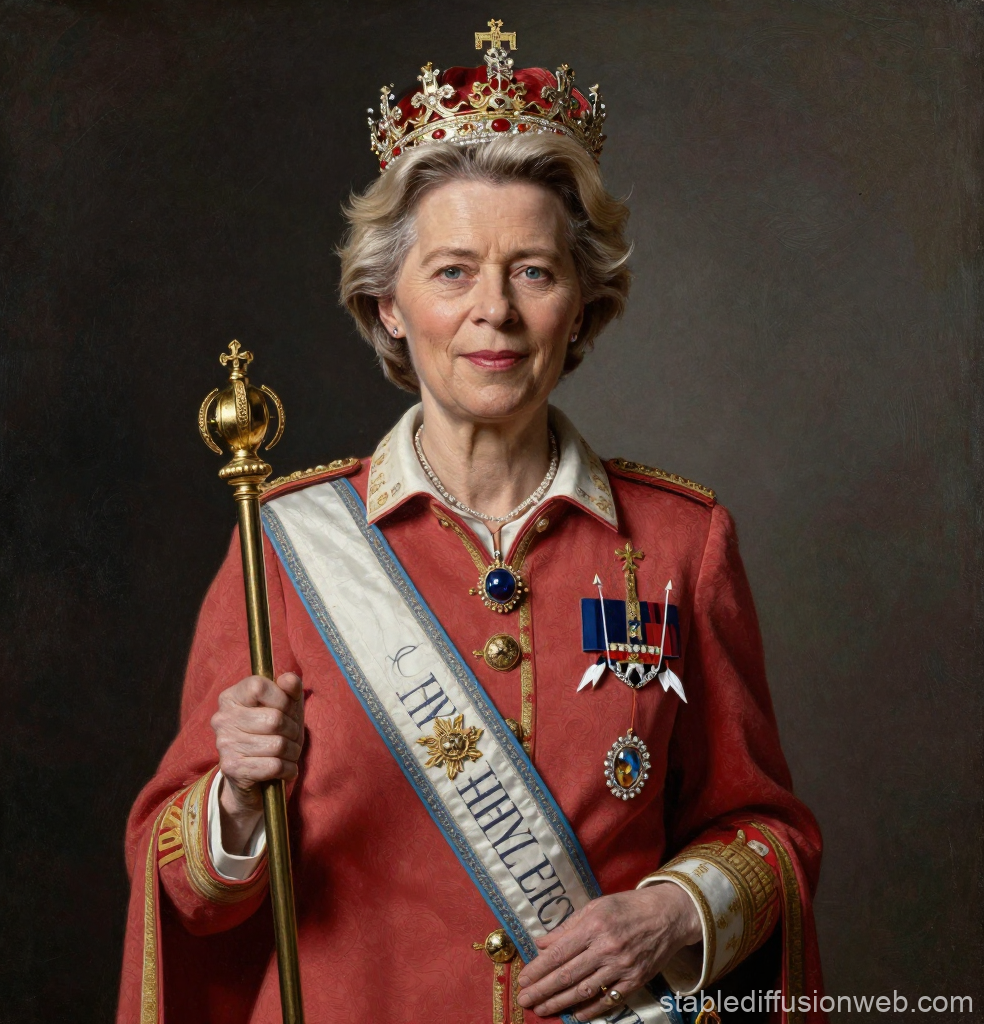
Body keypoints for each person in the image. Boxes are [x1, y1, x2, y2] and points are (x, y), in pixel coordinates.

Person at [119, 22, 825, 1024]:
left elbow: (767, 833)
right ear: (389, 303)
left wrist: (670, 913)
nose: (492, 309)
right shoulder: (285, 543)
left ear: (580, 305)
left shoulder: (681, 543)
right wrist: (234, 800)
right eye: (451, 271)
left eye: (532, 271)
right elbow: (180, 881)